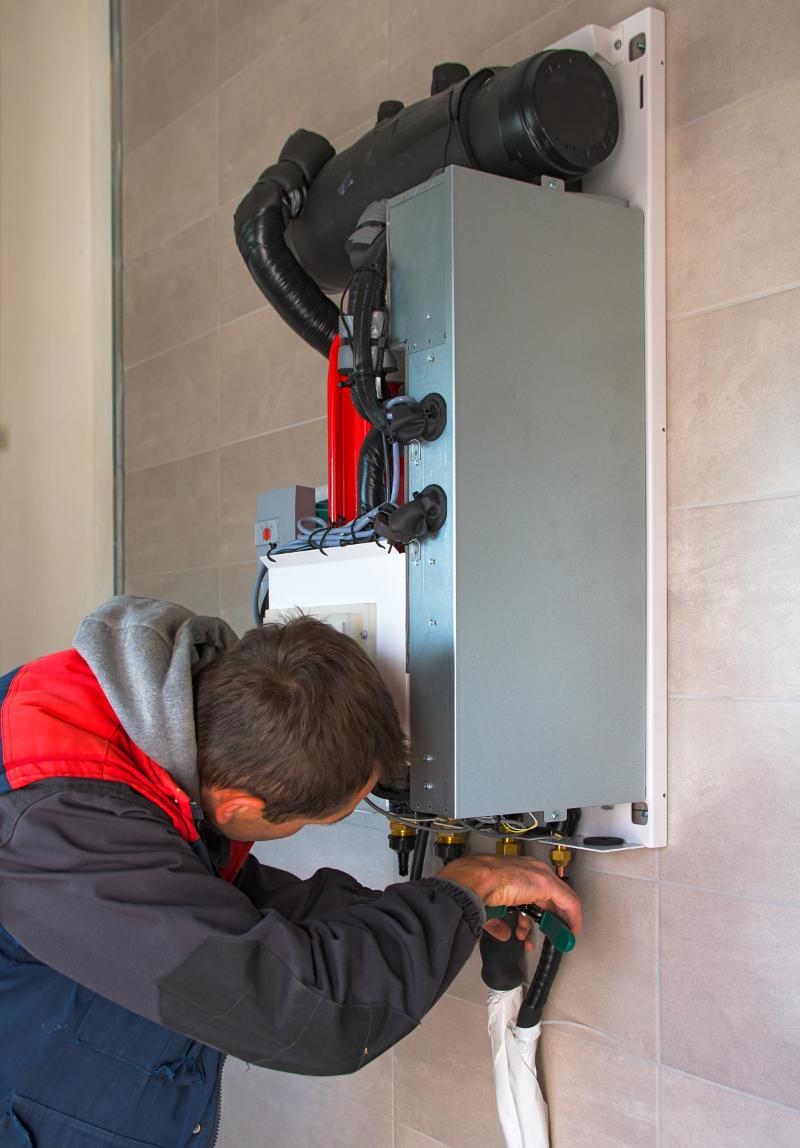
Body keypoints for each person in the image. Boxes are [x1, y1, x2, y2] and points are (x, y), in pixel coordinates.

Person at [0, 596, 581, 1147]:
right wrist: (463, 892)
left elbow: (207, 907)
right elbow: (298, 1011)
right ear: (238, 808)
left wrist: (438, 910)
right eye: (312, 821)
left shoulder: (134, 723)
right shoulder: (54, 824)